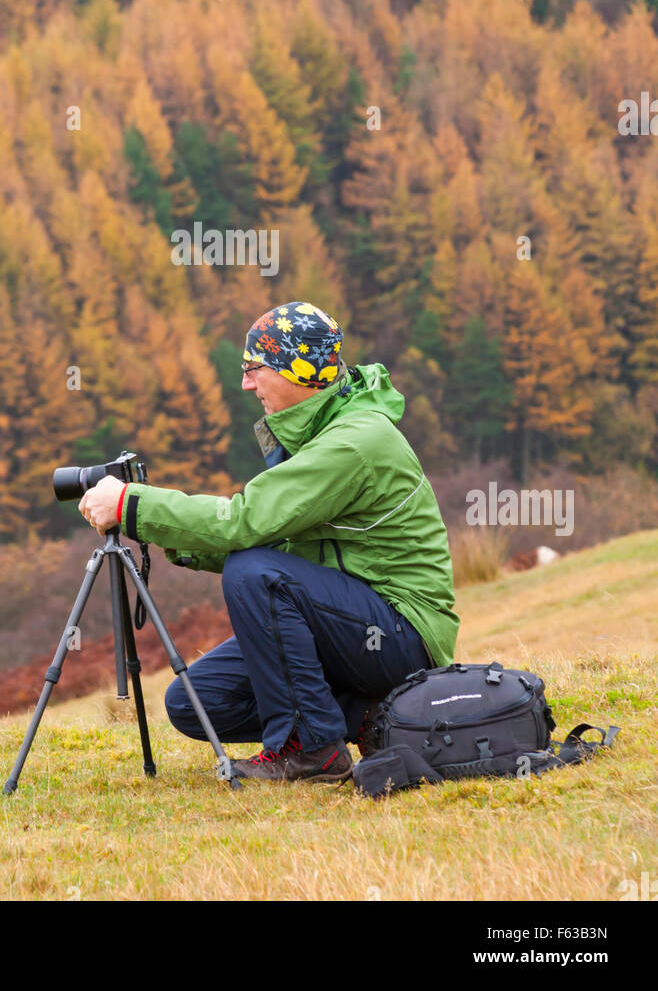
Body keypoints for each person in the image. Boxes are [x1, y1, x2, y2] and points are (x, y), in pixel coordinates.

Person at [79, 300, 459, 784]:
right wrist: (171, 537)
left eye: (254, 368)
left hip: (402, 635)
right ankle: (370, 716)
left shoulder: (353, 443)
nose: (245, 383)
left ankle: (312, 750)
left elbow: (245, 521)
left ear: (297, 371)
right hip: (349, 628)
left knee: (254, 574)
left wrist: (133, 506)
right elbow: (275, 541)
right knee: (196, 701)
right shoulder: (320, 434)